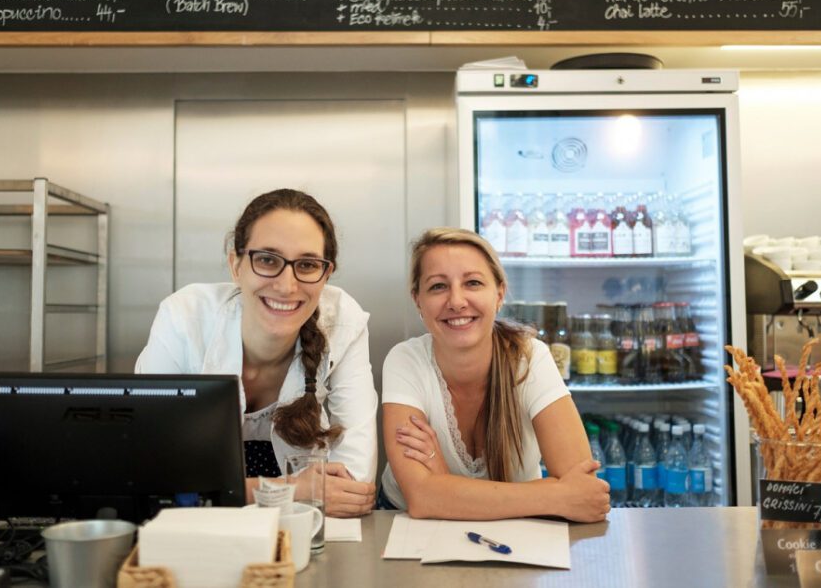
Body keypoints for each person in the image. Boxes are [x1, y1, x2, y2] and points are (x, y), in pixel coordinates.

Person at [136, 188, 376, 517]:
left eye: (306, 264)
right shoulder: (184, 318)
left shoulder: (345, 323)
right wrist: (295, 489)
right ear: (235, 265)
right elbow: (147, 473)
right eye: (267, 260)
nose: (287, 285)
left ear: (326, 274)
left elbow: (354, 486)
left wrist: (220, 491)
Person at [379, 227, 609, 521]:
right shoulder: (406, 360)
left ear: (499, 294)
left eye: (473, 283)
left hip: (517, 526)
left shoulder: (530, 357)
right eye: (438, 286)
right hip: (401, 521)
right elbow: (422, 498)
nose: (457, 301)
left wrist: (444, 484)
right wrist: (555, 495)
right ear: (418, 300)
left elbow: (585, 490)